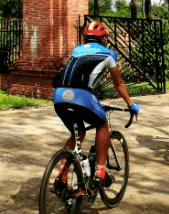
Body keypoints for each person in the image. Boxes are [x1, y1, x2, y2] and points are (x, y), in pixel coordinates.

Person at [52, 21, 140, 187]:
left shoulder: (77, 50)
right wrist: (131, 104)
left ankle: (61, 174)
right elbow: (119, 84)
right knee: (102, 124)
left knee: (78, 133)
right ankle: (100, 171)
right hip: (81, 96)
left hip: (59, 96)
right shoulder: (108, 54)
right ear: (103, 39)